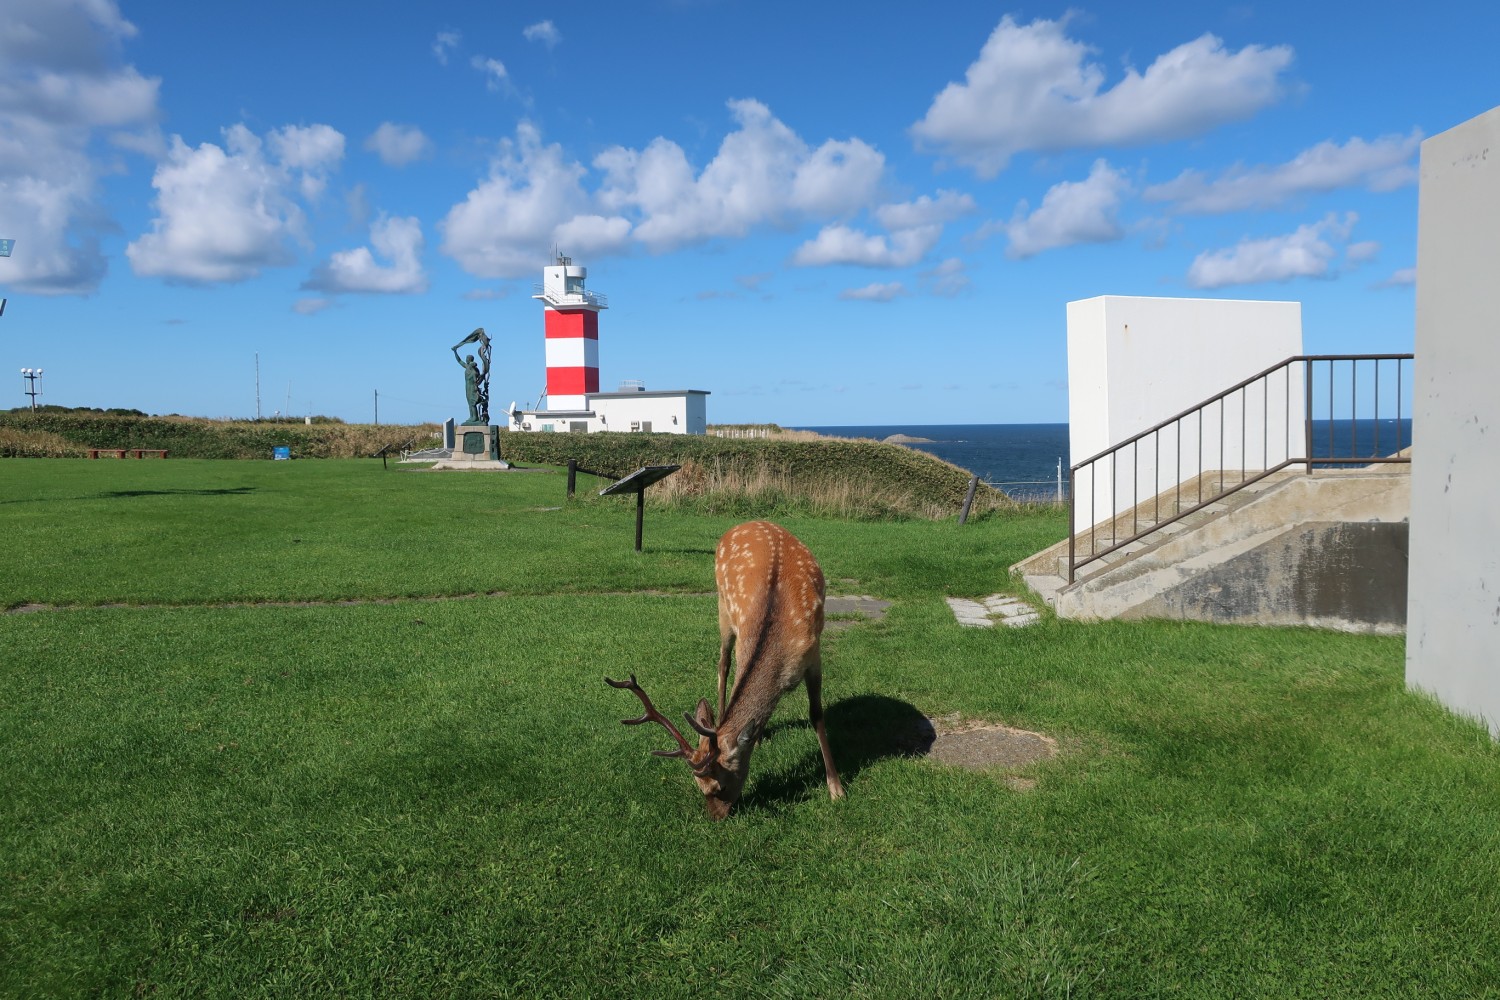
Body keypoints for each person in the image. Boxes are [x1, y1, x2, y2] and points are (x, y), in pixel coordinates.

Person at [451, 328, 491, 423]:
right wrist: (455, 352)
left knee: (472, 403)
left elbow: (476, 377)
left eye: (467, 358)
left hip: (472, 388)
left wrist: (476, 387)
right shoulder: (468, 366)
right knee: (470, 403)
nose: (466, 360)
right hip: (468, 387)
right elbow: (459, 361)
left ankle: (475, 417)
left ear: (470, 359)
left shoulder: (473, 369)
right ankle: (472, 417)